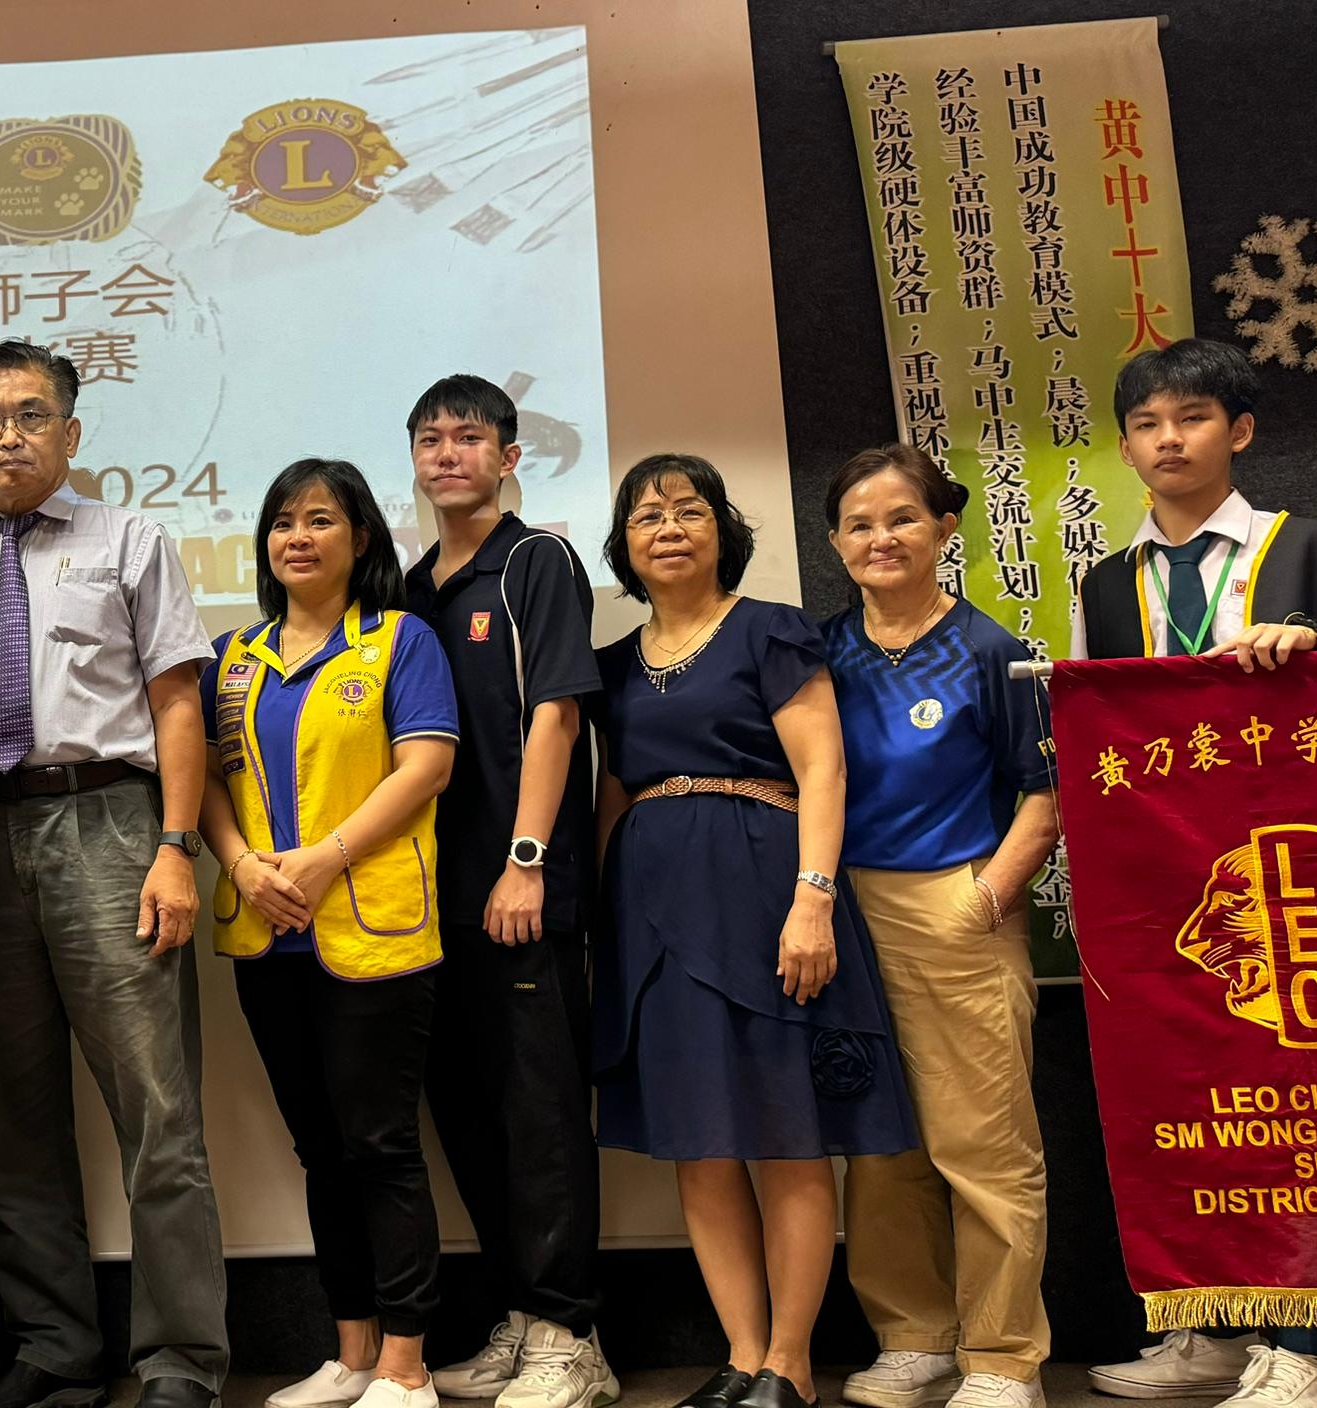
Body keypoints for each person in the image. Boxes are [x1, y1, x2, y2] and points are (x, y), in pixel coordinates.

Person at [0, 339, 227, 1408]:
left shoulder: (130, 538)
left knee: (156, 1108)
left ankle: (181, 1358)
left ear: (71, 433)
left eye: (33, 415)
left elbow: (178, 702)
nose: (10, 435)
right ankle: (54, 1345)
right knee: (8, 1111)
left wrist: (175, 849)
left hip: (111, 826)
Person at [590, 454, 916, 1408]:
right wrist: (605, 926)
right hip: (654, 911)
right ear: (624, 546)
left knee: (784, 1134)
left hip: (764, 894)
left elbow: (823, 771)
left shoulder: (770, 629)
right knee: (699, 1141)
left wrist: (814, 898)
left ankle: (791, 1362)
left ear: (723, 530)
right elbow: (613, 798)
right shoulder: (611, 665)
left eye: (689, 510)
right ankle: (740, 1356)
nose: (669, 527)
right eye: (647, 516)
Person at [1075, 339, 1317, 1408]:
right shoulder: (1108, 584)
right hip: (1174, 889)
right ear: (1124, 446)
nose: (1168, 440)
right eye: (1146, 424)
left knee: (1311, 1106)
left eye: (1191, 417)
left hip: (1308, 883)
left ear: (1237, 431)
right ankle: (1217, 1325)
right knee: (1183, 1091)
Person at [198, 459, 458, 1408]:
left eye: (319, 520)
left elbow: (426, 765)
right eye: (282, 522)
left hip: (371, 928)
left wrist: (322, 859)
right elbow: (209, 779)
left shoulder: (399, 640)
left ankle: (405, 1365)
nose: (297, 538)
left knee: (380, 1146)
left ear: (361, 539)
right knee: (320, 1149)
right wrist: (242, 866)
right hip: (269, 935)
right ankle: (351, 1354)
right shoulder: (233, 656)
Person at [819, 445, 1060, 1408]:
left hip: (956, 904)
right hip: (843, 912)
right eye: (861, 524)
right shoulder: (820, 651)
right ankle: (912, 1336)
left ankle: (1003, 1358)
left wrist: (985, 900)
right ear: (835, 542)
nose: (882, 538)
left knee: (983, 1143)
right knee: (881, 1144)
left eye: (903, 519)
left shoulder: (992, 651)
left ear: (944, 529)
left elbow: (1046, 797)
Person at [401, 377, 616, 1408]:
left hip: (520, 888)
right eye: (430, 440)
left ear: (508, 456)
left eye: (469, 437)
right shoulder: (412, 585)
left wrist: (525, 859)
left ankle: (573, 1337)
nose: (448, 454)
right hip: (430, 901)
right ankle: (523, 1318)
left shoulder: (535, 561)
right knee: (468, 1113)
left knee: (539, 1113)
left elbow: (557, 717)